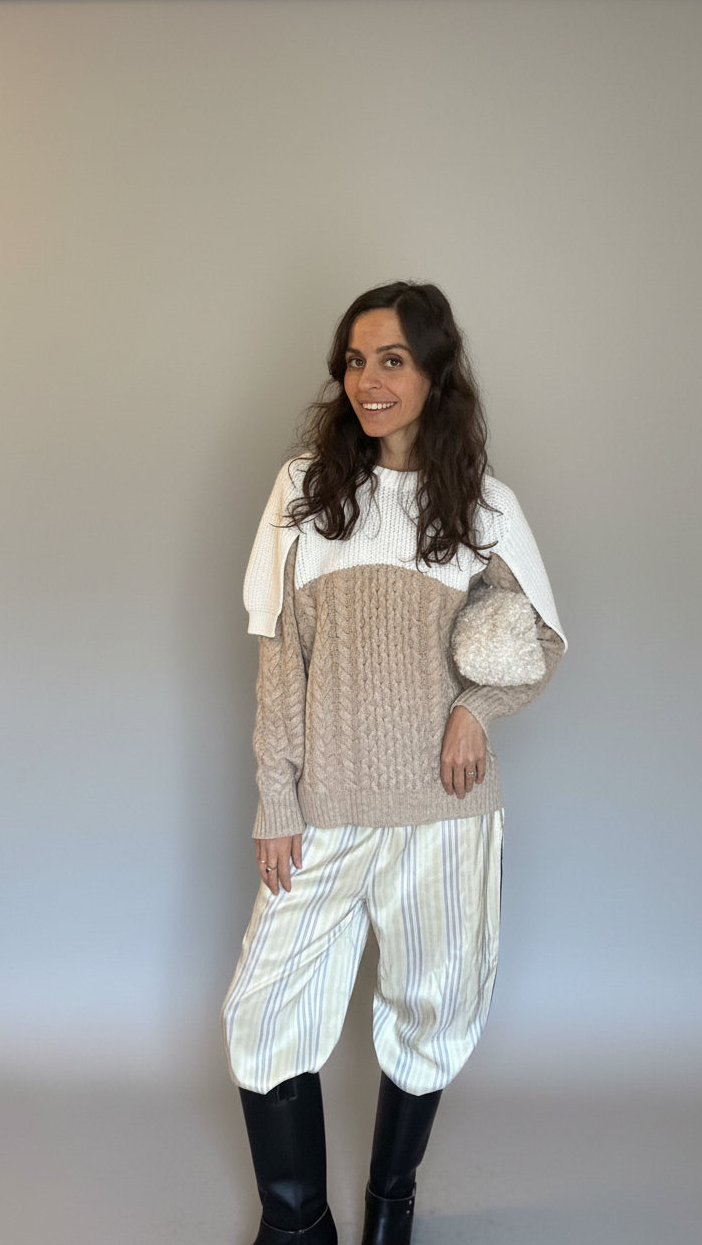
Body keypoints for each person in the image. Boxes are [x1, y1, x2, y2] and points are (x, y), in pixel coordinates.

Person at [222, 281, 567, 1245]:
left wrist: (477, 708)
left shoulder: (482, 505)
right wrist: (274, 799)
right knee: (265, 1012)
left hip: (445, 810)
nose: (367, 381)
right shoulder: (305, 490)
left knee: (430, 1011)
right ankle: (296, 1228)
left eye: (393, 360)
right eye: (355, 360)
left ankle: (389, 1211)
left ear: (434, 372)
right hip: (324, 807)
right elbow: (280, 654)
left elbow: (539, 638)